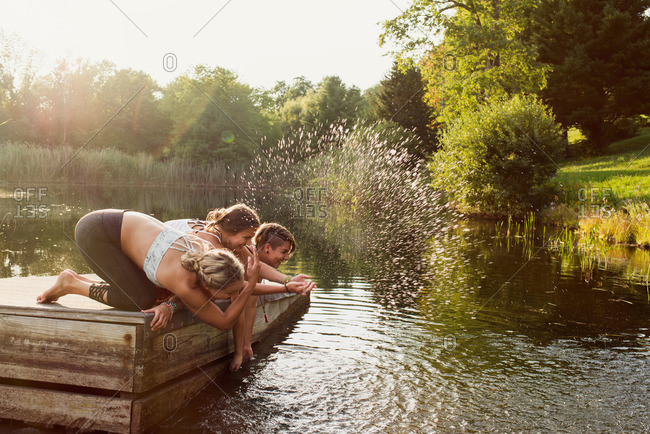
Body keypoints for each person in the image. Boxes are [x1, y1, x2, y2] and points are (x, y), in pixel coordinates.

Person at [36, 209, 260, 330]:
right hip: (96, 234)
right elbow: (223, 321)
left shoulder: (208, 251)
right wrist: (250, 286)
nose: (233, 296)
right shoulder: (182, 280)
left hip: (115, 223)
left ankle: (75, 280)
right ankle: (71, 284)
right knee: (140, 298)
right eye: (229, 293)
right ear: (207, 284)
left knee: (152, 294)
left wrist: (169, 304)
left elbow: (191, 298)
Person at [144, 205, 315, 332]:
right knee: (206, 288)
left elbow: (254, 264)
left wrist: (287, 280)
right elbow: (245, 288)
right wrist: (285, 288)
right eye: (247, 238)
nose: (249, 244)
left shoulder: (226, 236)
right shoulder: (214, 249)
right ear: (232, 231)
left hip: (176, 242)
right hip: (165, 246)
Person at [230, 222, 297, 370]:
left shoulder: (257, 266)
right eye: (284, 251)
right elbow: (239, 306)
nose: (286, 258)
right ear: (267, 248)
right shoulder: (244, 260)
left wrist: (247, 344)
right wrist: (238, 353)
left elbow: (251, 306)